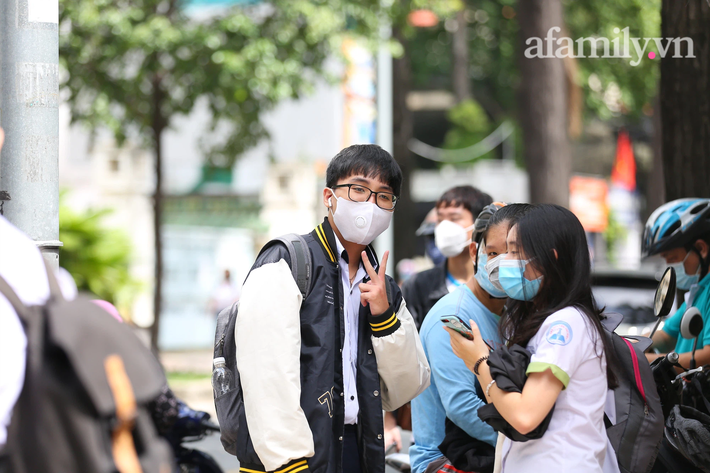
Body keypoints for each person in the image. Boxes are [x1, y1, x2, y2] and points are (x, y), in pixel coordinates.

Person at [235, 144, 430, 473]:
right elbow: (265, 375)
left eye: (383, 196)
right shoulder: (288, 262)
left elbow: (407, 385)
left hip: (357, 450)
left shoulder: (384, 287)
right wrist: (288, 463)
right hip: (291, 460)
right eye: (358, 189)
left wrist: (383, 317)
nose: (370, 204)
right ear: (329, 196)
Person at [447, 204, 619, 472]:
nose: (506, 260)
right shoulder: (540, 321)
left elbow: (525, 416)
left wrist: (479, 361)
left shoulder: (566, 324)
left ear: (550, 258)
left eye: (515, 251)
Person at [410, 203, 531, 473]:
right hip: (446, 460)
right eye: (494, 253)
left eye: (514, 255)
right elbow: (462, 405)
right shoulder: (453, 316)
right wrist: (523, 441)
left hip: (492, 457)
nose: (503, 263)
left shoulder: (513, 313)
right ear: (476, 252)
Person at [402, 186, 493, 330]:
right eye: (440, 219)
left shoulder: (497, 284)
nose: (444, 226)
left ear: (480, 224)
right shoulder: (418, 286)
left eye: (454, 218)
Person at [642, 198, 710, 368]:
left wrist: (643, 360)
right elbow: (666, 336)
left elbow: (708, 356)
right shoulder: (698, 291)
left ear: (701, 249)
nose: (670, 267)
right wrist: (629, 345)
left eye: (672, 258)